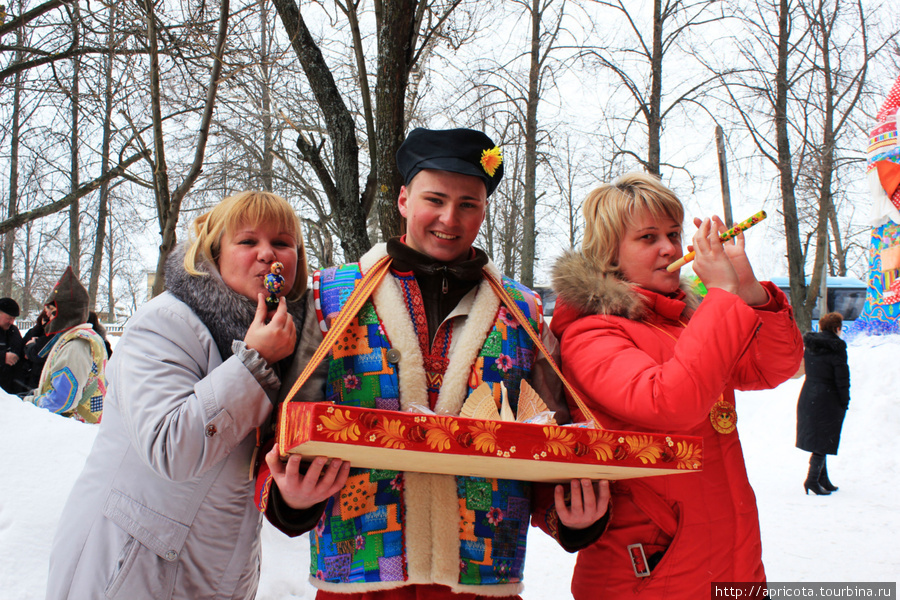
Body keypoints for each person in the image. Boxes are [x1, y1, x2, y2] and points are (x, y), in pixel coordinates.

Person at [256, 127, 610, 599]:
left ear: (485, 210)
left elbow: (551, 438)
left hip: (482, 581)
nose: (450, 218)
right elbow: (284, 427)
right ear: (403, 199)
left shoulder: (524, 314)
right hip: (359, 579)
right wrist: (290, 498)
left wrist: (571, 515)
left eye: (468, 204)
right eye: (435, 199)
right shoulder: (331, 298)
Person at [549, 172, 804, 599]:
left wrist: (749, 291)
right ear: (610, 254)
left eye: (673, 233)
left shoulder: (688, 320)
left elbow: (775, 368)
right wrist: (722, 295)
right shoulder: (591, 332)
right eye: (648, 238)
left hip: (726, 558)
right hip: (649, 571)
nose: (670, 247)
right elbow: (670, 404)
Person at [45, 191, 307, 600]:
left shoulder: (292, 345)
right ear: (215, 253)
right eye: (248, 241)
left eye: (282, 243)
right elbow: (170, 447)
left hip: (216, 571)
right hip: (128, 569)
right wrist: (252, 363)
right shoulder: (165, 323)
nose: (267, 254)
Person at [23, 268, 108, 422]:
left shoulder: (76, 345)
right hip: (76, 428)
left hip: (71, 428)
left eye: (53, 311)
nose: (48, 316)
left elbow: (63, 399)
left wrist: (31, 402)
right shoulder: (85, 337)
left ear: (67, 313)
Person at [796, 311, 850, 495]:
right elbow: (842, 377)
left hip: (809, 393)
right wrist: (845, 399)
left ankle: (822, 478)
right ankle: (811, 479)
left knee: (821, 437)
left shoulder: (811, 345)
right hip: (828, 397)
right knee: (825, 438)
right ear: (836, 328)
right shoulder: (837, 346)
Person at [21, 306, 53, 392]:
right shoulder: (33, 332)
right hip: (28, 376)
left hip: (41, 377)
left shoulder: (51, 335)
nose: (45, 322)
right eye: (45, 318)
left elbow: (38, 353)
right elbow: (22, 348)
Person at [0, 297, 25, 394]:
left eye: (14, 319)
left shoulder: (13, 331)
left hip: (13, 392)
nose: (11, 322)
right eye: (9, 318)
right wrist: (3, 357)